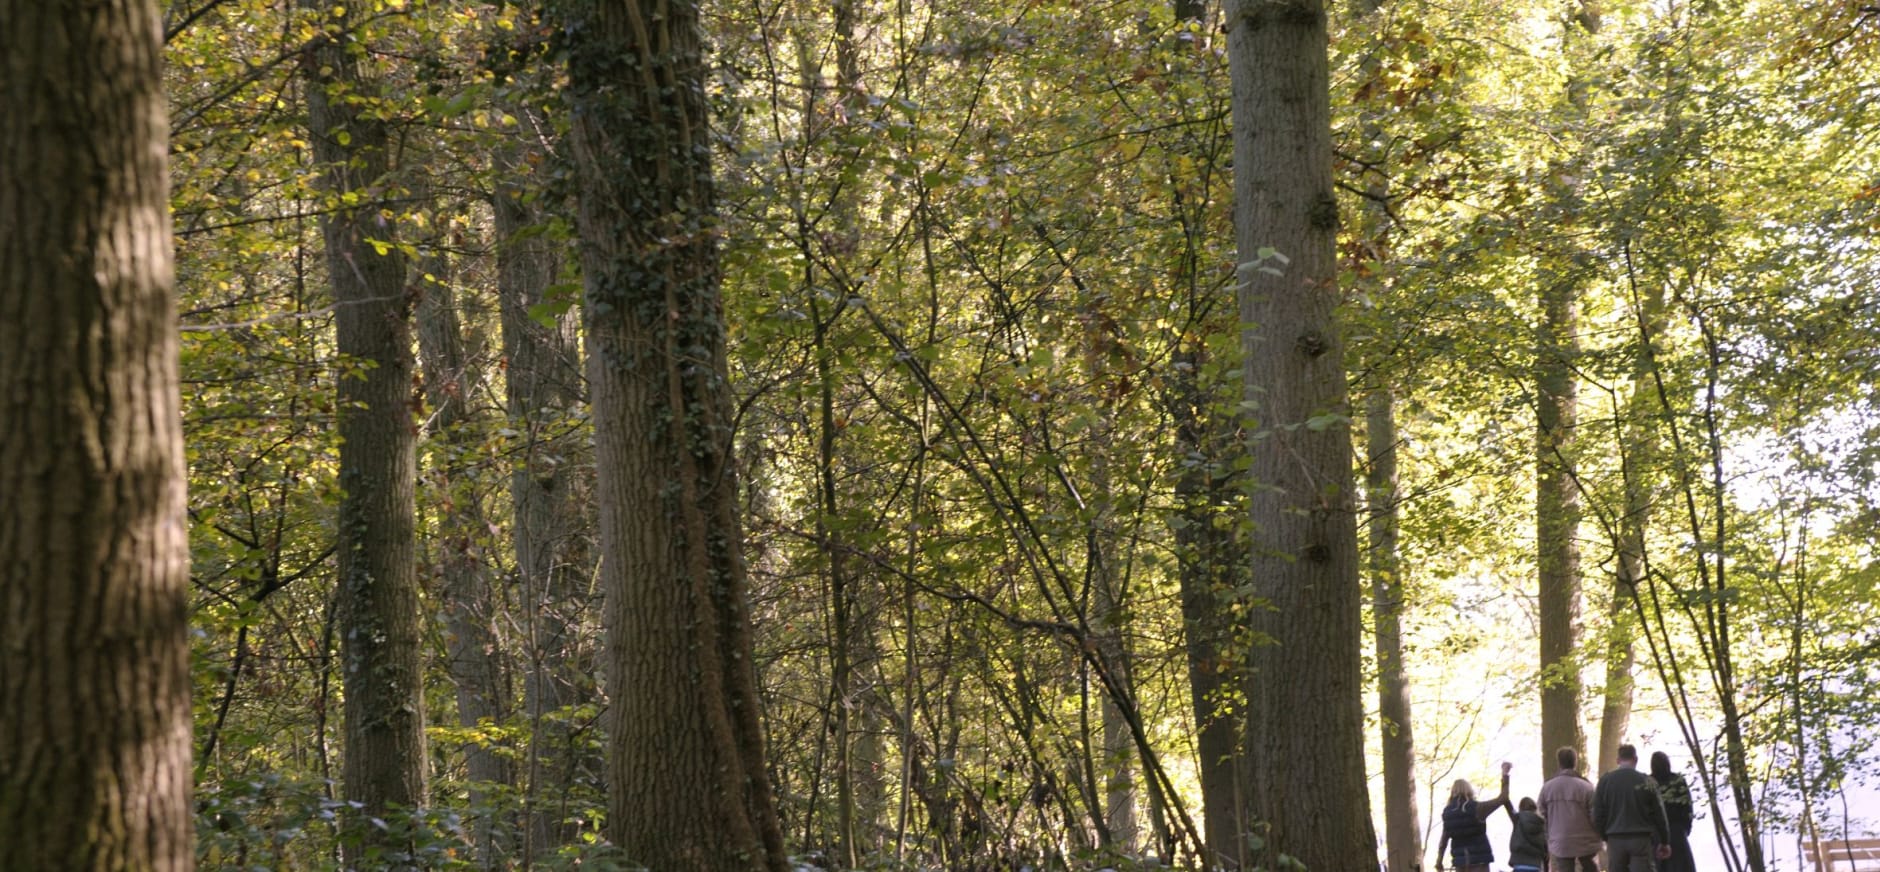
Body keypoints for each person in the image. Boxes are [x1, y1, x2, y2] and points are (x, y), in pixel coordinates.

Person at [1594, 743, 1672, 872]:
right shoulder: (1647, 781)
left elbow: (1597, 814)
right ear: (1635, 759)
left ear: (1618, 760)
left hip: (1615, 838)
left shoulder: (1605, 781)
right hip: (1641, 839)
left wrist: (1605, 836)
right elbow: (1660, 814)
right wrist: (1665, 841)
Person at [1436, 760, 1514, 872]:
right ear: (1469, 790)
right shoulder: (1479, 808)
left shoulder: (1448, 813)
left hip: (1461, 866)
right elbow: (1503, 798)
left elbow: (1443, 842)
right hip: (1480, 864)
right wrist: (1504, 774)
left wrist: (1439, 862)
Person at [1538, 746, 1601, 872]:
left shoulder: (1547, 787)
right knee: (1589, 866)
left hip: (1560, 841)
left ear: (1559, 763)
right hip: (1586, 841)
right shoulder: (1587, 787)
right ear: (1575, 762)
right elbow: (1595, 815)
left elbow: (1542, 812)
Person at [1651, 751, 1698, 872]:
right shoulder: (1678, 781)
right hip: (1677, 832)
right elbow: (1688, 807)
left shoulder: (1649, 783)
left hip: (1655, 834)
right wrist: (1686, 829)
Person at [1509, 797, 1549, 872]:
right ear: (1534, 809)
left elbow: (1507, 804)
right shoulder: (1540, 823)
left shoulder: (1517, 820)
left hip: (1519, 864)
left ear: (1520, 808)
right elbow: (1544, 845)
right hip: (1535, 866)